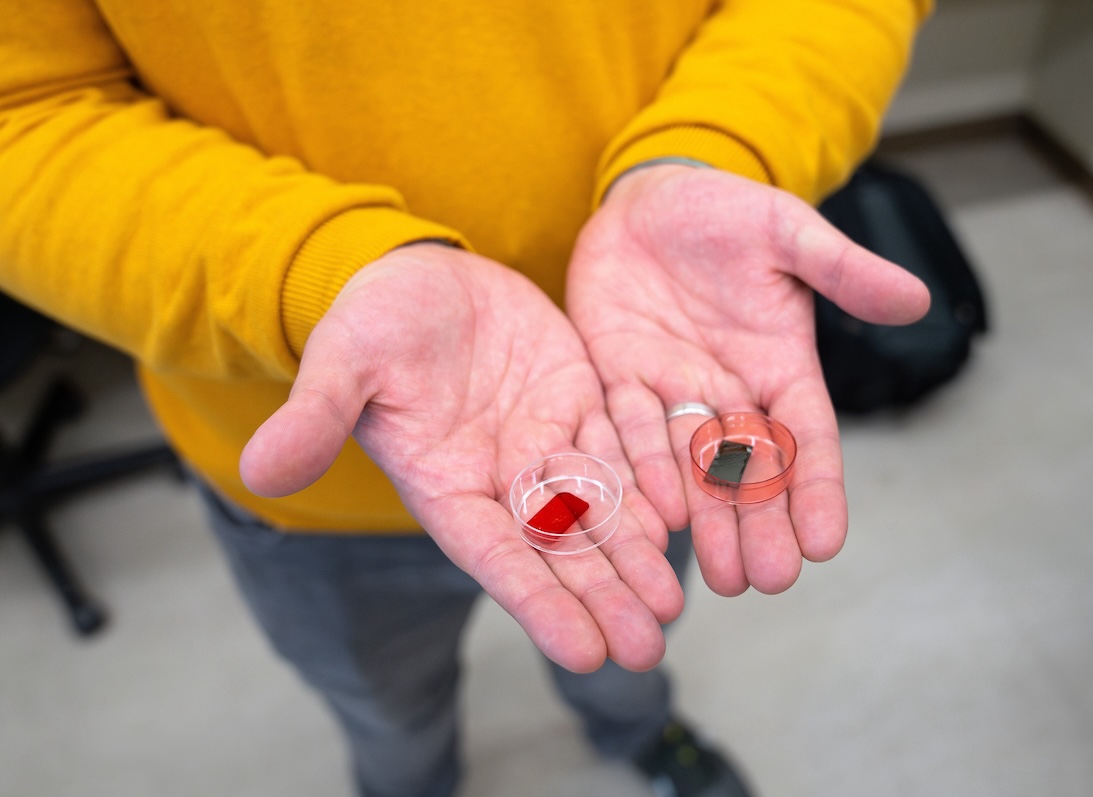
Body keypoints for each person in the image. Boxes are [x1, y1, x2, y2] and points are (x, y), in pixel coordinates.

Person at [1, 1, 933, 795]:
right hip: (313, 479)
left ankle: (641, 736)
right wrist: (320, 270)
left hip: (642, 413)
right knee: (387, 706)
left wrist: (714, 151)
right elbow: (22, 113)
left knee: (624, 637)